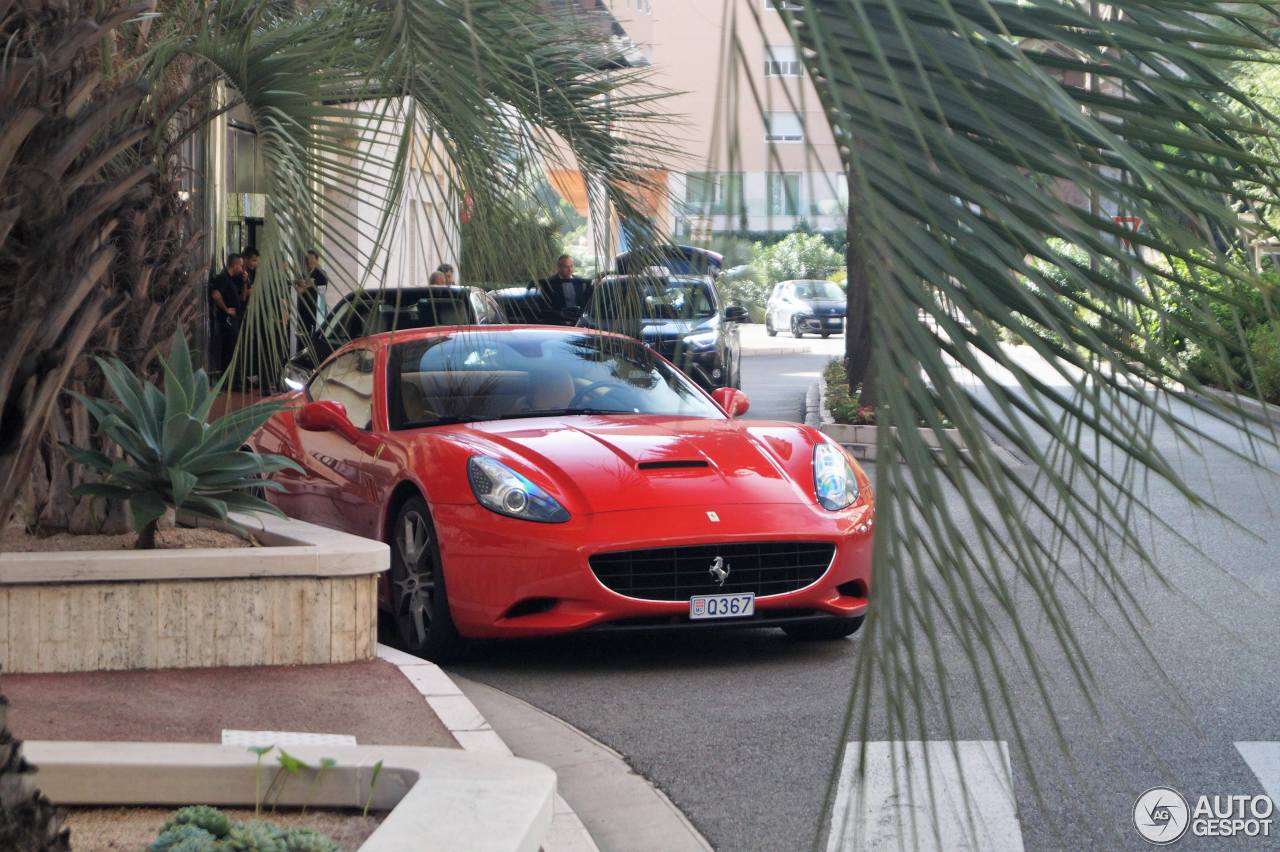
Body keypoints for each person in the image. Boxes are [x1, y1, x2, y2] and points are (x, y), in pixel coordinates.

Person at [208, 254, 244, 374]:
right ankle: (230, 379)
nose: (241, 268)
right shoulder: (223, 278)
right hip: (228, 319)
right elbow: (216, 295)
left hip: (234, 317)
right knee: (230, 348)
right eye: (240, 265)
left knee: (233, 348)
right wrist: (226, 309)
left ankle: (234, 377)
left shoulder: (232, 279)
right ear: (234, 264)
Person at [538, 255, 589, 321]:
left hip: (578, 319)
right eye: (566, 267)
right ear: (559, 267)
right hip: (559, 320)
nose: (570, 270)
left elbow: (584, 302)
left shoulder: (579, 281)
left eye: (571, 266)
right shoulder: (549, 284)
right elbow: (544, 307)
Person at [296, 250, 327, 336]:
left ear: (317, 260)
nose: (309, 260)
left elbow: (320, 291)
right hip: (304, 312)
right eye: (307, 258)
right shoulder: (304, 274)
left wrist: (305, 286)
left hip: (316, 310)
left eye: (312, 258)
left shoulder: (321, 274)